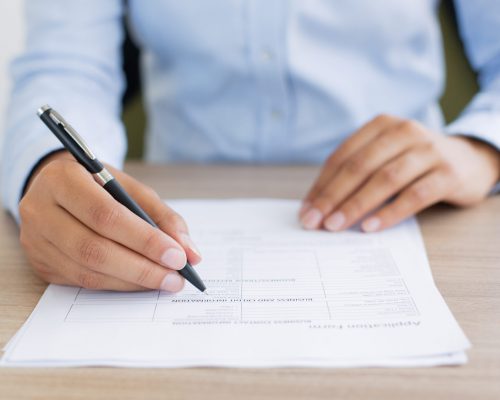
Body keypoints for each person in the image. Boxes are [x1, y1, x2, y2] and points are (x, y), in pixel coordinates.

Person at [2, 1, 499, 293]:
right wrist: (46, 166)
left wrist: (482, 147)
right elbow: (65, 64)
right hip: (174, 196)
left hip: (421, 213)